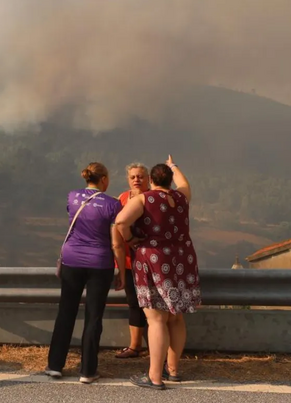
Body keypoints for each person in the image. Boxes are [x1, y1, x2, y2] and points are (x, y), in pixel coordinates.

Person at [114, 156, 200, 390]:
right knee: (177, 316)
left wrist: (131, 239)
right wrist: (174, 166)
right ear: (170, 180)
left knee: (156, 319)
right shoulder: (181, 198)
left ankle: (154, 376)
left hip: (154, 259)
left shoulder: (144, 198)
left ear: (150, 180)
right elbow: (185, 184)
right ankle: (172, 370)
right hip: (183, 259)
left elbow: (121, 221)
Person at [45, 162, 124, 384]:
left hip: (72, 259)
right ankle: (88, 371)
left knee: (66, 312)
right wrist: (121, 272)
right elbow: (117, 241)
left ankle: (54, 366)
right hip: (100, 263)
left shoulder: (72, 196)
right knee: (93, 317)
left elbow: (74, 217)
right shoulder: (113, 204)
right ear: (104, 179)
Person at [115, 163, 149, 359]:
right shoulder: (122, 198)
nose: (137, 179)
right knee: (133, 302)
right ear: (128, 180)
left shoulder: (153, 198)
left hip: (150, 260)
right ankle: (134, 346)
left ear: (148, 179)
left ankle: (156, 346)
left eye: (140, 176)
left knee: (153, 305)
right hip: (128, 260)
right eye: (133, 177)